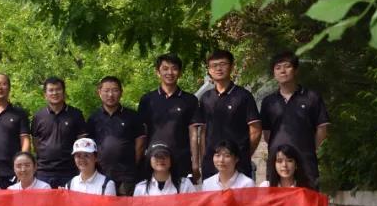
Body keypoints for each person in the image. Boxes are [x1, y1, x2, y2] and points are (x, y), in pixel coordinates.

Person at [259, 51, 330, 189]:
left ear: (296, 70)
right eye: (278, 68)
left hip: (306, 163)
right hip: (277, 164)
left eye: (287, 66)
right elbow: (267, 134)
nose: (282, 71)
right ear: (274, 73)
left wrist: (307, 148)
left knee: (308, 200)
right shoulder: (268, 101)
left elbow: (322, 129)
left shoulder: (311, 97)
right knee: (277, 201)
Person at [192, 50, 261, 180]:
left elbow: (255, 130)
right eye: (214, 65)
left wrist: (243, 154)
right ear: (209, 70)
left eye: (223, 64)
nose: (218, 68)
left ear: (232, 67)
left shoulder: (244, 96)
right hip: (212, 163)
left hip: (238, 163)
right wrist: (204, 158)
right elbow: (204, 131)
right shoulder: (206, 98)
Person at [138, 54, 200, 182]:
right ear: (158, 72)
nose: (170, 72)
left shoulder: (190, 100)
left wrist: (195, 164)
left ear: (180, 72)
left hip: (181, 161)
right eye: (165, 68)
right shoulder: (147, 100)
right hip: (154, 160)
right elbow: (142, 134)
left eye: (174, 68)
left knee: (183, 194)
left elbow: (193, 134)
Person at [86, 76, 146, 196]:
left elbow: (140, 143)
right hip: (101, 174)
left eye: (115, 90)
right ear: (99, 93)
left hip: (126, 176)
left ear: (121, 92)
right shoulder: (93, 118)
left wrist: (131, 165)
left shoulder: (133, 116)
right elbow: (90, 146)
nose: (110, 94)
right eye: (106, 90)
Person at [30, 77, 88, 188]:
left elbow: (82, 143)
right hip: (43, 172)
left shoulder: (76, 114)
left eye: (58, 89)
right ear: (45, 94)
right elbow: (35, 142)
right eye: (51, 90)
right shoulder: (38, 116)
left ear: (64, 92)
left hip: (69, 171)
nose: (55, 93)